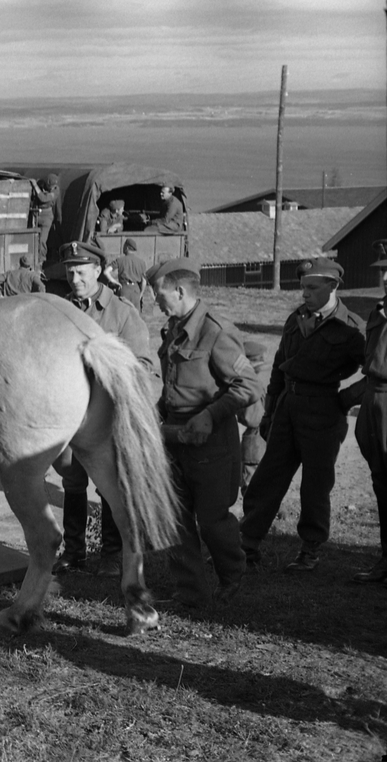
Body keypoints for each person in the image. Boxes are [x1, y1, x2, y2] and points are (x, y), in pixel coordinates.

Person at [149, 257, 262, 607]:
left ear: (180, 291)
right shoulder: (174, 327)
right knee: (176, 520)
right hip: (175, 438)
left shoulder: (216, 330)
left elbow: (249, 386)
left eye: (159, 293)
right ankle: (191, 593)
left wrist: (212, 414)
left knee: (213, 520)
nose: (155, 300)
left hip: (210, 442)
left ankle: (233, 577)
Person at [240, 258, 366, 572]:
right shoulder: (296, 318)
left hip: (323, 411)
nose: (305, 294)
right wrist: (270, 413)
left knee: (315, 485)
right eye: (303, 287)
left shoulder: (351, 328)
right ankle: (246, 546)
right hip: (287, 407)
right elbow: (279, 366)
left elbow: (376, 370)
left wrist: (345, 399)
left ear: (333, 286)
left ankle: (310, 550)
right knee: (267, 478)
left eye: (312, 288)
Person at [52, 241, 157, 577]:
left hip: (106, 416)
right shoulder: (60, 310)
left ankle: (112, 554)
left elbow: (142, 364)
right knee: (72, 482)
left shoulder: (123, 313)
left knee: (109, 484)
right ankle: (75, 551)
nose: (74, 277)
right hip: (69, 417)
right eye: (70, 271)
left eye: (81, 271)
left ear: (98, 271)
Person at [342, 239, 387, 584]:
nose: (385, 277)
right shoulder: (379, 310)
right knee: (380, 483)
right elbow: (371, 366)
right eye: (383, 271)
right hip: (373, 402)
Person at [238, 341, 273, 494]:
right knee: (254, 489)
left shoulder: (252, 384)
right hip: (257, 440)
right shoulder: (249, 385)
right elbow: (251, 417)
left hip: (258, 440)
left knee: (257, 488)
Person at [106, 238, 148, 311]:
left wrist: (115, 282)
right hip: (136, 290)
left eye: (124, 246)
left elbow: (106, 272)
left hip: (124, 289)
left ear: (127, 247)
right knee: (136, 315)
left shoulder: (120, 260)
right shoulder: (142, 262)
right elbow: (144, 281)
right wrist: (141, 294)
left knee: (122, 314)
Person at [32, 174, 59, 267]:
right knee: (32, 238)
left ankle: (41, 261)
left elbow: (43, 198)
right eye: (50, 186)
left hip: (46, 217)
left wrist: (35, 186)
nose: (52, 188)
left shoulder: (56, 191)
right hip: (36, 215)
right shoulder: (42, 185)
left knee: (42, 241)